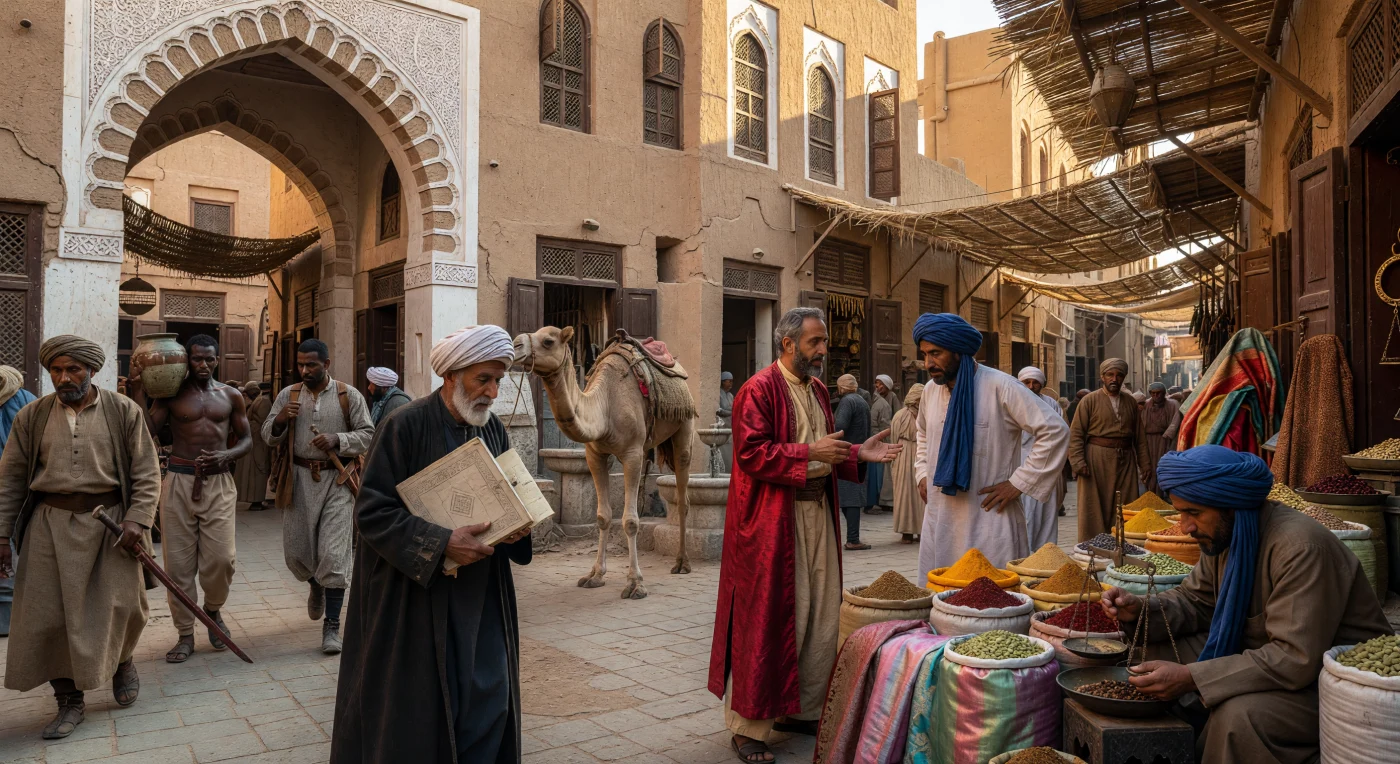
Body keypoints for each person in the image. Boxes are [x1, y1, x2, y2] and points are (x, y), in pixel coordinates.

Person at [1101, 446, 1392, 763]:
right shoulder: (1228, 536)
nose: (1185, 526)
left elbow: (1293, 659)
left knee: (1237, 717)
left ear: (1231, 507)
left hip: (1327, 687)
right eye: (1181, 512)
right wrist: (1141, 609)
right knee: (1150, 653)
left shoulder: (1300, 548)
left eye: (1194, 513)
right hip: (1261, 657)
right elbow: (1194, 600)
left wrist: (1192, 677)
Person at [708, 307, 900, 764]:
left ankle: (801, 708)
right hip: (773, 523)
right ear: (788, 343)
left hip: (818, 513)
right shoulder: (757, 389)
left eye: (824, 341)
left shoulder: (815, 388)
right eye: (815, 342)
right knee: (769, 618)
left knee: (818, 616)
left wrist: (856, 452)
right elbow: (752, 453)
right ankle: (748, 726)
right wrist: (809, 452)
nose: (822, 351)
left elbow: (821, 447)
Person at [332, 325, 532, 764]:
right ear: (452, 376)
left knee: (489, 700)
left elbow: (509, 496)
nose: (492, 392)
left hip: (482, 600)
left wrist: (519, 527)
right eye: (484, 379)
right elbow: (372, 513)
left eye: (498, 380)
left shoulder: (493, 428)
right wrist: (442, 543)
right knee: (419, 715)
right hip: (416, 604)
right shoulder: (403, 426)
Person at [0, 336, 161, 738]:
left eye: (73, 369)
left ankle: (122, 662)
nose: (63, 377)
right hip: (48, 527)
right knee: (48, 616)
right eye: (56, 369)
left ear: (92, 371)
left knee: (122, 608)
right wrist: (2, 537)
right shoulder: (32, 416)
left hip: (112, 527)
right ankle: (69, 702)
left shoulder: (124, 410)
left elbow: (146, 471)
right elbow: (11, 481)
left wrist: (138, 521)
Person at [914, 313, 1068, 579]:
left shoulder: (1001, 386)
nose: (928, 363)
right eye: (925, 354)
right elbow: (923, 434)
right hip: (941, 512)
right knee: (942, 592)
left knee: (994, 598)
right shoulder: (930, 390)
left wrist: (1019, 482)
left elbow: (1054, 431)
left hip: (989, 516)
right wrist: (922, 474)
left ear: (958, 351)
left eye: (936, 353)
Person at [130, 335, 251, 664]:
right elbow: (146, 430)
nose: (203, 365)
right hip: (179, 481)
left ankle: (212, 610)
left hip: (219, 483)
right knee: (178, 566)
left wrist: (227, 453)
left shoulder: (231, 395)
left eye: (209, 359)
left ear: (217, 359)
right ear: (186, 360)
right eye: (197, 359)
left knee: (222, 560)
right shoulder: (170, 395)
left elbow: (247, 440)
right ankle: (185, 633)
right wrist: (138, 390)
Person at [263, 339, 375, 654]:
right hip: (297, 482)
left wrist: (338, 439)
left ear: (326, 364)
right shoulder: (288, 395)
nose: (304, 370)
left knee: (335, 554)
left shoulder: (347, 395)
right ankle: (315, 584)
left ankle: (332, 628)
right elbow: (266, 436)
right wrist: (282, 418)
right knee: (296, 553)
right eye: (300, 364)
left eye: (311, 364)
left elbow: (368, 434)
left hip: (337, 483)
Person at [1068, 359, 1152, 542]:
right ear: (1102, 377)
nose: (1115, 379)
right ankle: (1095, 545)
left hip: (1126, 460)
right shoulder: (1089, 401)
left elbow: (1140, 437)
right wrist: (1078, 462)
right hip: (1096, 458)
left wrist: (1145, 464)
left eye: (1119, 375)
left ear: (1123, 378)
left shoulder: (1130, 402)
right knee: (1095, 504)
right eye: (1110, 375)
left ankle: (1124, 544)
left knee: (1126, 503)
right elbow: (1076, 433)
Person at [0, 366, 37, 637]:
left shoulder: (24, 402)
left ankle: (10, 619)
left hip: (17, 489)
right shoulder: (28, 400)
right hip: (17, 487)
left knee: (11, 551)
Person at [1016, 366, 1064, 549]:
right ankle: (1024, 554)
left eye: (1035, 382)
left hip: (1046, 465)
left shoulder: (1051, 404)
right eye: (1026, 382)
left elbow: (1060, 432)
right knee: (1026, 513)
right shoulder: (1013, 402)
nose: (1031, 386)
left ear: (1041, 384)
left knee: (1047, 513)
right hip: (1020, 466)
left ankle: (1045, 554)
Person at [833, 374, 871, 549]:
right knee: (851, 495)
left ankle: (853, 539)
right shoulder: (862, 401)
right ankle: (852, 537)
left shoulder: (847, 401)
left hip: (848, 453)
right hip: (859, 452)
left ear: (841, 388)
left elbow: (839, 427)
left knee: (850, 497)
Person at [891, 383, 924, 543]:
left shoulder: (927, 414)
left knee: (921, 494)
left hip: (921, 454)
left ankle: (922, 530)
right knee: (904, 493)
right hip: (903, 455)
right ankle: (906, 532)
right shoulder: (900, 415)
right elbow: (894, 439)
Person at [237, 382, 273, 511]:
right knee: (258, 471)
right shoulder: (262, 401)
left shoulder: (258, 402)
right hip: (258, 441)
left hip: (256, 440)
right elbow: (265, 422)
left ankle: (256, 499)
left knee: (256, 470)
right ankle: (256, 500)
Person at [1140, 382, 1181, 495]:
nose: (1156, 396)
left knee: (1161, 465)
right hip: (1147, 440)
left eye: (1158, 393)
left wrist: (1168, 435)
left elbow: (1175, 422)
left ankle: (1162, 493)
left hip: (1164, 440)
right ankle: (1150, 494)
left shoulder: (1172, 404)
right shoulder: (1146, 405)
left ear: (1163, 393)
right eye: (1153, 393)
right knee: (1148, 467)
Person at [870, 374, 898, 512]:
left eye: (881, 384)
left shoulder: (892, 397)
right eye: (877, 383)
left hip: (888, 437)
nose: (878, 386)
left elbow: (895, 417)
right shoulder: (875, 399)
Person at [718, 371, 735, 468]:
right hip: (722, 427)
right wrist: (731, 412)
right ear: (723, 381)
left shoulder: (730, 396)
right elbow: (720, 411)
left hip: (730, 427)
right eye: (729, 381)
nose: (731, 384)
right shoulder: (718, 394)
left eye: (732, 381)